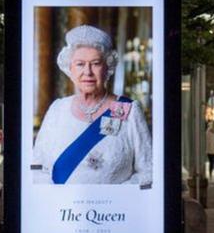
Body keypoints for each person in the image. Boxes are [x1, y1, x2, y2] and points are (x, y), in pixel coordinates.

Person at [32, 25, 152, 185]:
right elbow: (36, 166)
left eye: (95, 63)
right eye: (80, 64)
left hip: (115, 209)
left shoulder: (127, 110)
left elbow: (149, 171)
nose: (87, 72)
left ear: (107, 67)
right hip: (63, 209)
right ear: (70, 68)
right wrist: (55, 196)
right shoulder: (57, 110)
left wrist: (117, 196)